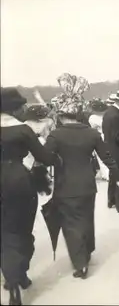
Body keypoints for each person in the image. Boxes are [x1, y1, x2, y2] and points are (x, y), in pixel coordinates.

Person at [44, 93, 119, 279]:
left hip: (65, 186)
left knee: (70, 225)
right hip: (87, 185)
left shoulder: (56, 135)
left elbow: (45, 158)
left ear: (61, 114)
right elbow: (107, 158)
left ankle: (80, 263)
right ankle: (87, 251)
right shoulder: (92, 133)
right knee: (86, 220)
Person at [1, 88, 59, 305]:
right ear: (14, 108)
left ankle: (12, 278)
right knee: (22, 229)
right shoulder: (23, 129)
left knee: (3, 232)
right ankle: (19, 275)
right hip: (18, 180)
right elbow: (44, 157)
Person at [88, 99, 111, 181]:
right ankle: (108, 173)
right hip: (108, 136)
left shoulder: (92, 118)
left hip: (100, 136)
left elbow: (92, 128)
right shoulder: (107, 115)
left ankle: (106, 174)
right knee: (109, 155)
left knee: (101, 157)